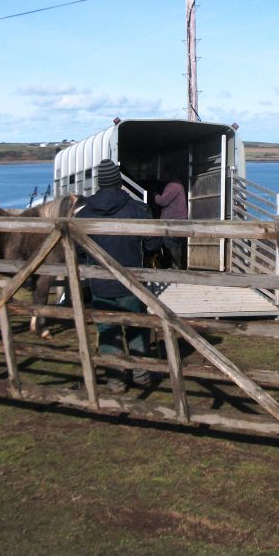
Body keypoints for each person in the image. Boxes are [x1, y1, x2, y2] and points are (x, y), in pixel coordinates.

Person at [76, 159, 162, 393]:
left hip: (99, 283)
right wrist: (143, 253)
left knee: (107, 331)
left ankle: (115, 380)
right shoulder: (137, 209)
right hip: (131, 281)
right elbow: (154, 242)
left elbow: (78, 250)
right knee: (136, 326)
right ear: (118, 181)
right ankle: (141, 374)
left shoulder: (83, 215)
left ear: (99, 183)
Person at [153, 170, 188, 269]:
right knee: (176, 243)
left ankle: (176, 265)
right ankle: (176, 265)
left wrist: (155, 196)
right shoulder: (178, 185)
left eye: (164, 174)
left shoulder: (173, 186)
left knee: (170, 242)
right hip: (179, 220)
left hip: (173, 220)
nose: (162, 177)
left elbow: (163, 201)